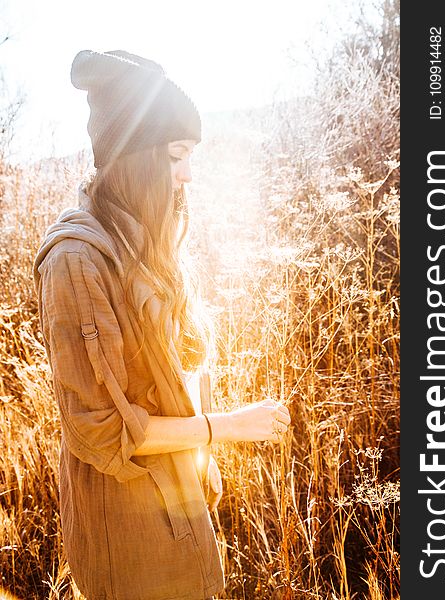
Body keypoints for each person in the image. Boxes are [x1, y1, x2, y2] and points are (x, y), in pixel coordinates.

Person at [33, 49, 291, 600]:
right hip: (129, 531)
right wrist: (228, 427)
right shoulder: (79, 261)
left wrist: (200, 464)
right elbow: (99, 432)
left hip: (179, 503)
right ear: (136, 156)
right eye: (177, 155)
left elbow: (171, 375)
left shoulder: (144, 243)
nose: (188, 174)